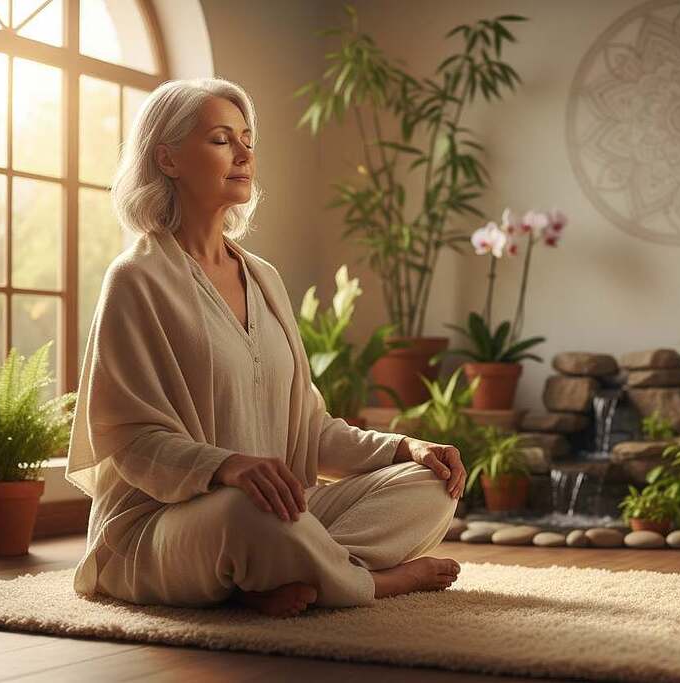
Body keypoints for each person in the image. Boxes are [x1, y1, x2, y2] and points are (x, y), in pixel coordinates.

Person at [65, 77, 464, 618]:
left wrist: (405, 449)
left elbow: (311, 428)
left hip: (282, 512)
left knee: (432, 486)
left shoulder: (265, 279)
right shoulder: (136, 279)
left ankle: (283, 574)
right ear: (168, 158)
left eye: (248, 138)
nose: (245, 153)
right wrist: (225, 467)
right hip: (165, 525)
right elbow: (127, 438)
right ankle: (375, 582)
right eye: (221, 139)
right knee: (244, 514)